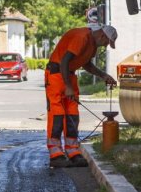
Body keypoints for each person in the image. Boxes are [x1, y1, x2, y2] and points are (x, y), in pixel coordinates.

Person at [45, 25, 118, 168]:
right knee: (57, 114)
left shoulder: (92, 45)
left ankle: (72, 151)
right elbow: (65, 61)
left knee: (72, 113)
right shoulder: (81, 37)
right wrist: (68, 86)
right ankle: (56, 155)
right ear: (103, 36)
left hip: (69, 75)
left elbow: (86, 65)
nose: (105, 46)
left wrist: (104, 75)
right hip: (56, 74)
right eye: (106, 43)